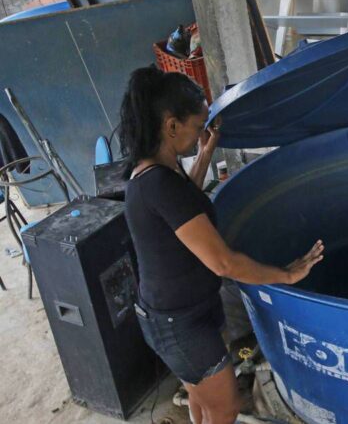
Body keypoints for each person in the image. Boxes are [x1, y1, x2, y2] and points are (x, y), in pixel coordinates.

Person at [120, 66, 324, 424]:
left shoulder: (156, 170)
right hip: (181, 325)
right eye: (199, 126)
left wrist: (205, 151)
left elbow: (186, 201)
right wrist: (286, 275)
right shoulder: (160, 185)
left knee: (203, 402)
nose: (202, 131)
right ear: (171, 126)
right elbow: (224, 263)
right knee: (225, 408)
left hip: (178, 313)